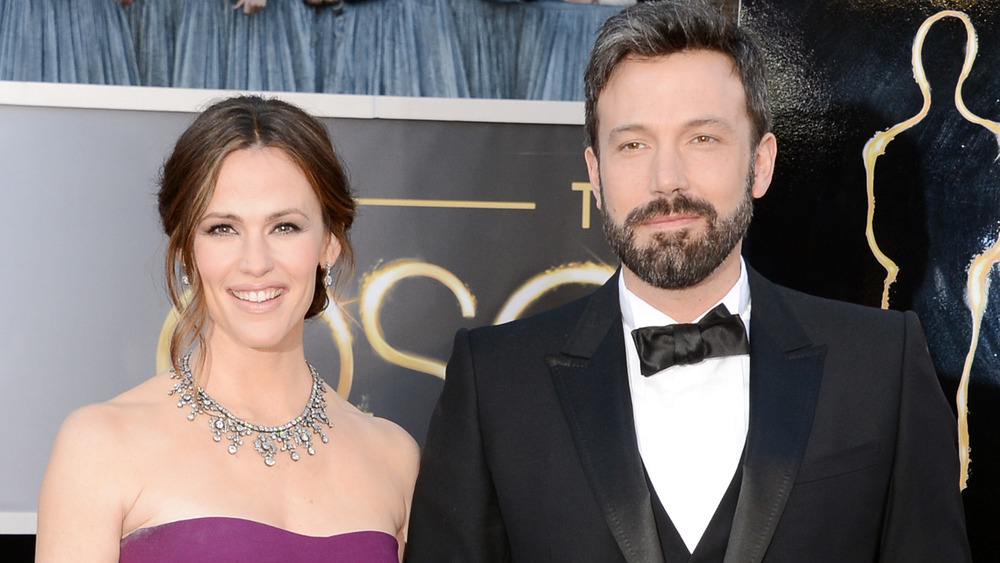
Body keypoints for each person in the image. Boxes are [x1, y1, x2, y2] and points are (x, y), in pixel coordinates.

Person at [406, 1, 970, 561]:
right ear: (595, 175)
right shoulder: (497, 383)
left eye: (702, 138)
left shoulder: (879, 365)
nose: (666, 180)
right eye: (633, 144)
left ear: (761, 163)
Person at [37, 96, 419, 562]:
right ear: (184, 251)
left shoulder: (393, 458)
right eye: (222, 229)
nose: (255, 263)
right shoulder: (99, 446)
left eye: (285, 227)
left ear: (330, 243)